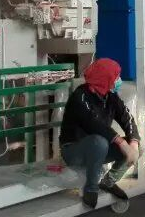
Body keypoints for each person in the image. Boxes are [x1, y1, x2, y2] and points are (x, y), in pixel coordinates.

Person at [60, 58, 140, 208]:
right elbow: (94, 125)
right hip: (74, 151)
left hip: (99, 150)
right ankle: (91, 188)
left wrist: (133, 143)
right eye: (116, 76)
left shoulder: (110, 97)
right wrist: (122, 143)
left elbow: (127, 118)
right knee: (99, 141)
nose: (119, 80)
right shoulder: (80, 97)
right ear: (105, 79)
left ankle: (108, 182)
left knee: (137, 148)